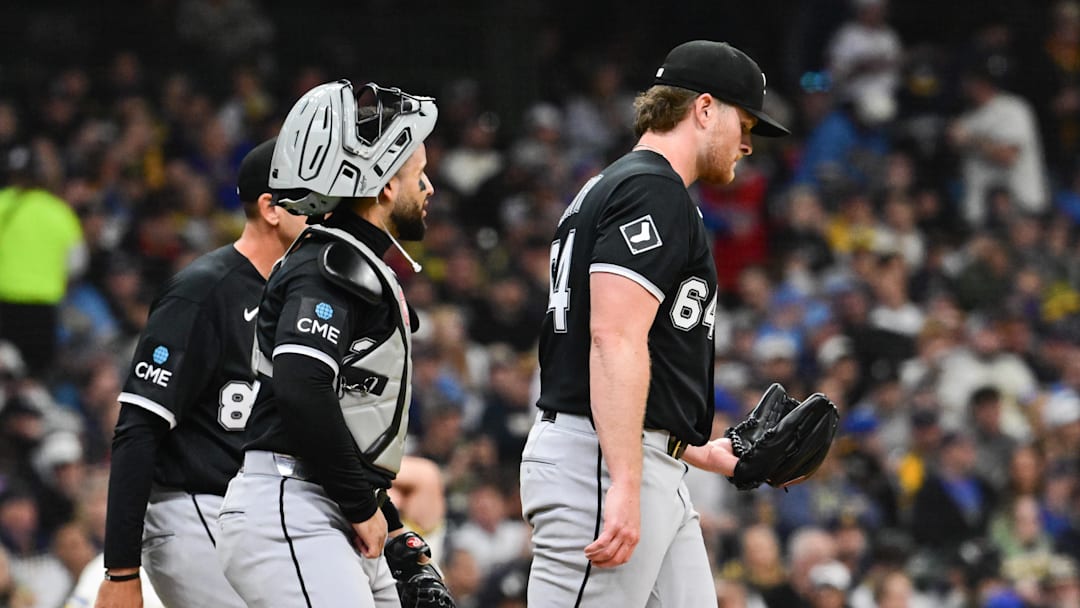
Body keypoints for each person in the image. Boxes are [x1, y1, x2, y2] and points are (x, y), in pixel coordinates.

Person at [520, 40, 789, 606]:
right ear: (705, 108)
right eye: (744, 122)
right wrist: (622, 480)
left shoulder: (619, 185)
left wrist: (696, 450)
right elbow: (613, 338)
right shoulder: (651, 188)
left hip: (638, 454)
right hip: (602, 460)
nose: (747, 142)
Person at [215, 80, 452, 608]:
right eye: (419, 175)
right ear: (386, 186)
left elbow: (343, 418)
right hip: (291, 505)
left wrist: (390, 528)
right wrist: (363, 507)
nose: (429, 188)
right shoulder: (326, 267)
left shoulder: (350, 261)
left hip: (325, 503)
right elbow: (302, 391)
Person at [93, 138, 308, 608]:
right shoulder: (203, 291)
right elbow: (137, 429)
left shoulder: (301, 296)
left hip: (265, 511)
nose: (327, 211)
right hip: (195, 508)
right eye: (313, 197)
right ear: (271, 208)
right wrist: (121, 571)